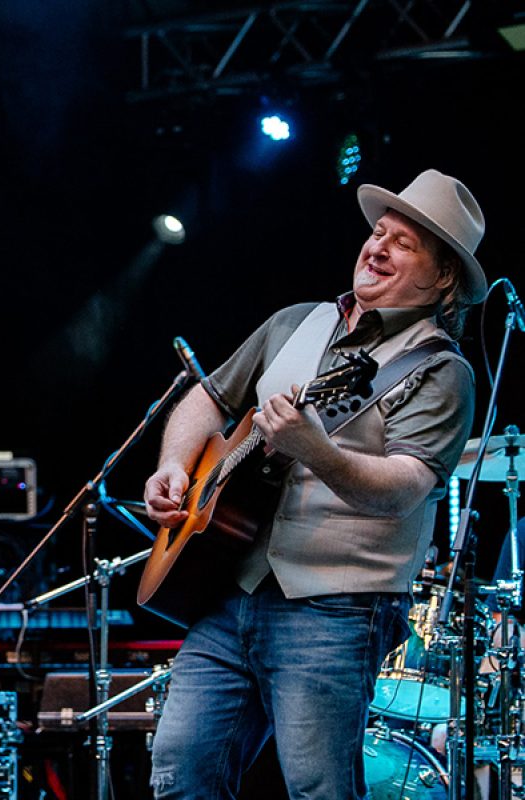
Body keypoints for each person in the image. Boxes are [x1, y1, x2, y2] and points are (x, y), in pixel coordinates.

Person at [142, 169, 488, 799]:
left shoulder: (441, 370)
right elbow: (207, 399)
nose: (377, 246)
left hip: (336, 607)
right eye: (377, 232)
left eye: (403, 243)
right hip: (230, 587)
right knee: (180, 769)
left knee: (318, 789)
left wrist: (319, 454)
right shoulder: (296, 322)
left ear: (443, 279)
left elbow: (405, 487)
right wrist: (173, 465)